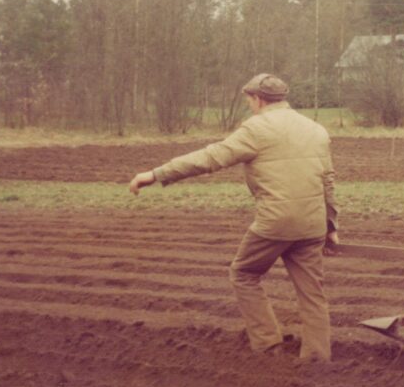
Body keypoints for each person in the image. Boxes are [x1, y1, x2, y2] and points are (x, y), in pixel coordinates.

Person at [128, 74, 339, 362]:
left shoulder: (256, 129)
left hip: (275, 222)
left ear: (258, 99)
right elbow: (327, 180)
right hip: (312, 224)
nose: (249, 106)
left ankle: (267, 345)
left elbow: (211, 157)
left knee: (244, 274)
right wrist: (331, 226)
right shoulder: (315, 129)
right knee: (312, 292)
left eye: (249, 100)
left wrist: (156, 174)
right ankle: (317, 358)